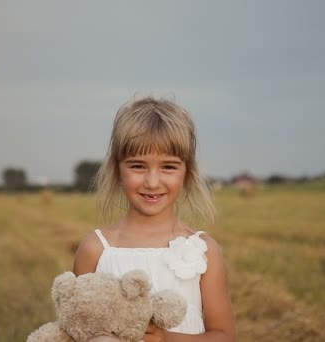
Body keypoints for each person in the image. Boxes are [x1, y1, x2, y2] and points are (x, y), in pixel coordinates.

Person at [73, 96, 235, 342]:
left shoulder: (203, 251)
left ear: (187, 172)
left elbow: (225, 336)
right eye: (138, 166)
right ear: (117, 170)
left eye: (168, 167)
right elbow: (75, 329)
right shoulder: (95, 250)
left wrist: (166, 339)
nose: (152, 182)